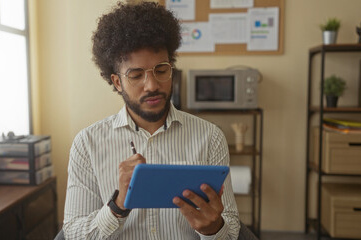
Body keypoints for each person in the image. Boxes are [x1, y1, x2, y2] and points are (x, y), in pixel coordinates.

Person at [63, 2, 240, 239]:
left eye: (161, 70)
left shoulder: (210, 137)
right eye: (136, 75)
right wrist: (117, 206)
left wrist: (213, 229)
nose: (152, 85)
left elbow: (232, 230)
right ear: (117, 82)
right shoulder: (87, 144)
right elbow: (73, 234)